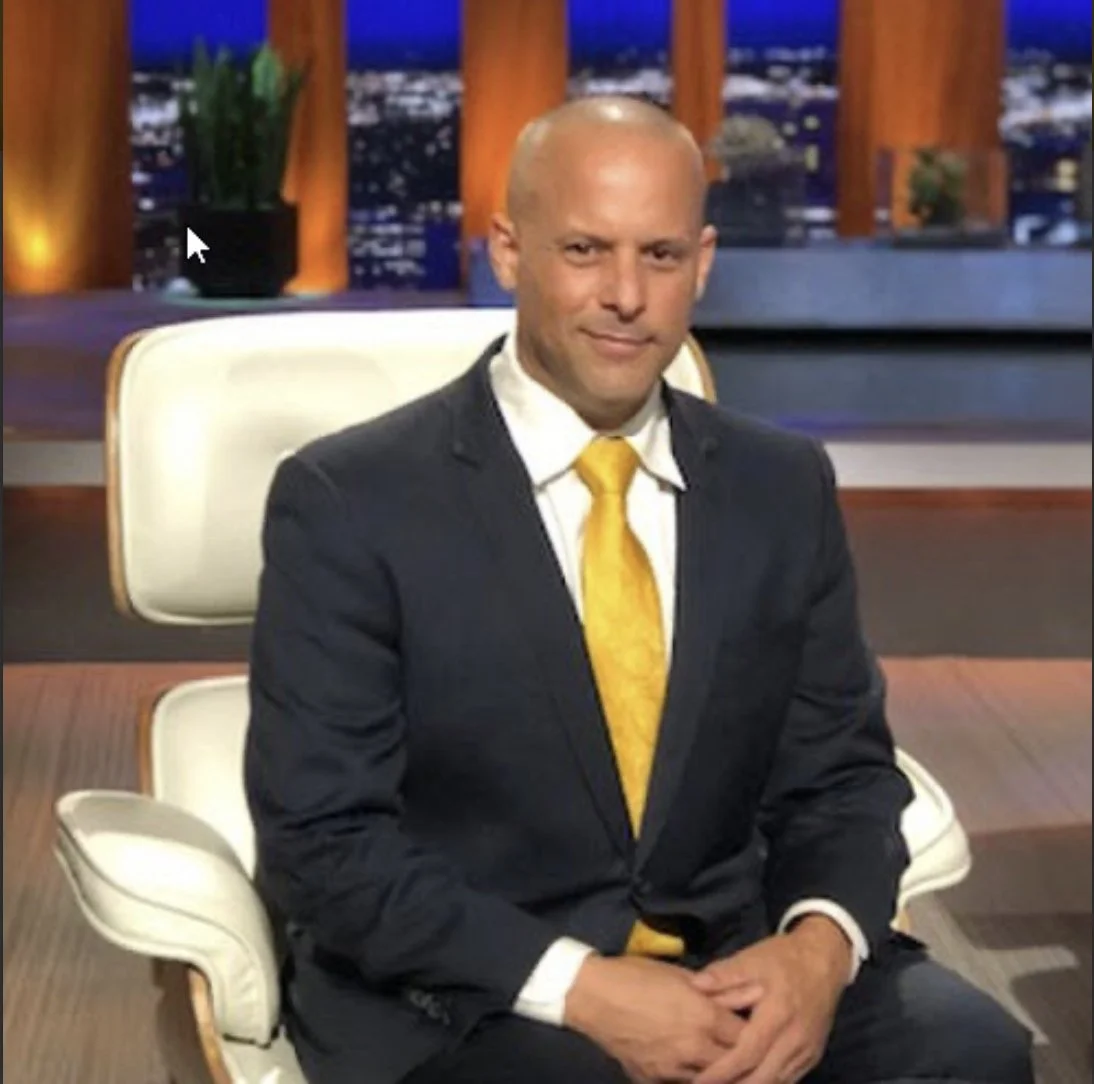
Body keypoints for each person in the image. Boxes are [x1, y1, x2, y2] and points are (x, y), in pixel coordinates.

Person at [244, 97, 1034, 1084]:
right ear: (507, 250)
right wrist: (582, 986)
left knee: (968, 1052)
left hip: (734, 964)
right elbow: (324, 844)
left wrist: (814, 951)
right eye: (584, 249)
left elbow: (838, 776)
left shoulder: (778, 486)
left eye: (658, 256)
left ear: (700, 264)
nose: (626, 293)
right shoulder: (350, 499)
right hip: (476, 994)